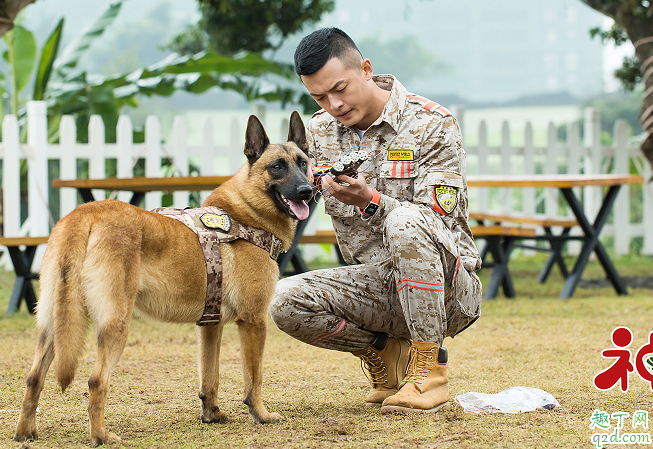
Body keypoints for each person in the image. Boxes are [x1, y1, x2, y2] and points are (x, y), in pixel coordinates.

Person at [269, 27, 483, 414]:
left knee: (403, 219)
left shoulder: (432, 124)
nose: (333, 104)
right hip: (378, 290)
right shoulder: (318, 132)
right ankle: (385, 352)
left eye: (339, 89)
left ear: (366, 69)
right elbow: (287, 189)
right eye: (318, 96)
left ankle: (429, 371)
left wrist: (371, 201)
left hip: (449, 290)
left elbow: (438, 220)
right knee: (283, 301)